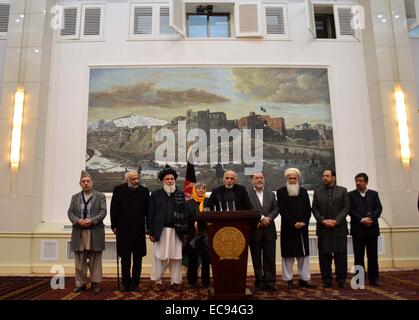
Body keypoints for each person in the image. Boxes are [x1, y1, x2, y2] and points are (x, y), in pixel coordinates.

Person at [148, 165, 187, 291]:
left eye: (172, 179)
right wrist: (151, 232)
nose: (170, 181)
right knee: (159, 257)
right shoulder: (155, 195)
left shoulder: (180, 194)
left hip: (177, 231)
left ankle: (175, 282)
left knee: (176, 258)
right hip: (161, 231)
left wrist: (184, 231)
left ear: (174, 180)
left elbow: (185, 214)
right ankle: (158, 282)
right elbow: (150, 215)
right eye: (167, 179)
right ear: (162, 181)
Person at [110, 170, 150, 292]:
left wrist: (148, 227)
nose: (136, 181)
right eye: (133, 179)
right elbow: (113, 209)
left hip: (139, 230)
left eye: (137, 178)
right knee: (125, 258)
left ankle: (135, 284)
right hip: (123, 230)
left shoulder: (144, 191)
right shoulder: (119, 190)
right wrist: (114, 226)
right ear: (127, 179)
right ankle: (125, 283)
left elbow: (148, 211)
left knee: (138, 258)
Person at [67, 171, 106, 293]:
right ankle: (80, 284)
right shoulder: (75, 197)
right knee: (79, 260)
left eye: (88, 181)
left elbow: (103, 211)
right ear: (80, 183)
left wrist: (92, 220)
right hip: (79, 231)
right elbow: (70, 213)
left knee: (95, 259)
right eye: (83, 181)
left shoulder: (100, 196)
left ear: (92, 183)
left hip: (95, 231)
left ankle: (95, 283)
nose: (86, 183)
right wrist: (78, 221)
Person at [312, 169, 349, 288]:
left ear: (333, 177)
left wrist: (336, 221)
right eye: (323, 176)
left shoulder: (342, 191)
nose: (325, 178)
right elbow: (315, 209)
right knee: (324, 257)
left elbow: (346, 208)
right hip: (323, 229)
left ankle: (341, 280)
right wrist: (323, 220)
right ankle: (326, 280)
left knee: (341, 256)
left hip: (339, 229)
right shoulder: (317, 192)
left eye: (327, 176)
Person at [277, 168, 313, 289]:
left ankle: (305, 279)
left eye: (294, 178)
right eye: (290, 178)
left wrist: (303, 222)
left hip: (302, 228)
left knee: (303, 256)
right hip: (288, 228)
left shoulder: (303, 192)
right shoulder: (281, 192)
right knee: (288, 256)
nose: (292, 180)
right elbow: (282, 210)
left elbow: (308, 209)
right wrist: (293, 223)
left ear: (298, 179)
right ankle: (288, 280)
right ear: (286, 179)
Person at [348, 173, 382, 286]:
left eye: (361, 181)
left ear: (366, 182)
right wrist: (362, 219)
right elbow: (350, 210)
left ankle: (374, 279)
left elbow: (378, 208)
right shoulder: (350, 195)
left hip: (372, 229)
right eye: (357, 181)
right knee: (358, 257)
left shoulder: (374, 194)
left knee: (373, 256)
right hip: (358, 230)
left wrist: (370, 219)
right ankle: (359, 280)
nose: (358, 183)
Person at [247, 172, 279, 291]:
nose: (259, 180)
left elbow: (276, 208)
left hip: (269, 230)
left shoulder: (270, 194)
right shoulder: (248, 194)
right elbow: (248, 208)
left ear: (264, 180)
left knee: (270, 258)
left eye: (261, 178)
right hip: (255, 230)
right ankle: (259, 281)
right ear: (252, 180)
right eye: (256, 178)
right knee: (256, 258)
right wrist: (261, 218)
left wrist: (268, 218)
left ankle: (270, 282)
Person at [185, 182, 210, 288]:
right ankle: (192, 282)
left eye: (203, 188)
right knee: (193, 260)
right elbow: (186, 217)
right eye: (198, 188)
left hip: (205, 235)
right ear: (195, 190)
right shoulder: (188, 203)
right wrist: (194, 222)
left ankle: (206, 282)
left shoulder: (208, 202)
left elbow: (211, 215)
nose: (201, 190)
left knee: (206, 260)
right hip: (193, 235)